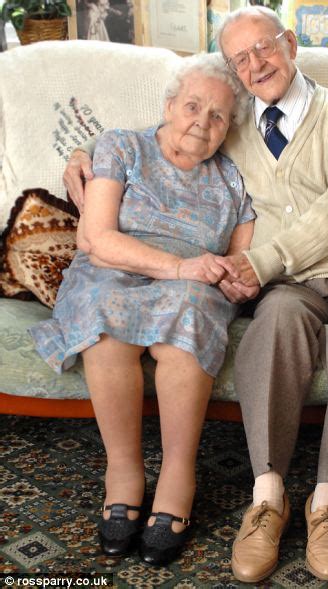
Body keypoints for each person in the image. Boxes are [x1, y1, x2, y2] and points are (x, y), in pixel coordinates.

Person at [64, 6, 328, 583]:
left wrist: (255, 264)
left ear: (291, 45)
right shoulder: (235, 129)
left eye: (265, 48)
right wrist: (81, 159)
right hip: (290, 286)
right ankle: (268, 498)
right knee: (273, 325)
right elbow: (164, 143)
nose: (256, 64)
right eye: (241, 58)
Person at [31, 53, 255, 567]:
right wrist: (178, 267)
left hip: (193, 283)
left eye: (218, 116)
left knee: (194, 315)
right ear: (169, 105)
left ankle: (178, 475)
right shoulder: (122, 146)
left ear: (227, 131)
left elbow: (242, 260)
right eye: (193, 106)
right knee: (107, 321)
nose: (202, 121)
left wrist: (240, 280)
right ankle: (124, 472)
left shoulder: (231, 181)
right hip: (117, 267)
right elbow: (98, 237)